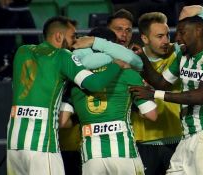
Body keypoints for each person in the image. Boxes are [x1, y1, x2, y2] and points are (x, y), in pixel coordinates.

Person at [6, 16, 126, 175]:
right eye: (72, 37)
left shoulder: (22, 52)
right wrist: (116, 65)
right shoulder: (63, 56)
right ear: (58, 36)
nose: (75, 42)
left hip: (14, 143)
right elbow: (95, 84)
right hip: (41, 144)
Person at [130, 14, 203, 175]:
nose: (177, 38)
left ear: (198, 31)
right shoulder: (183, 56)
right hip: (186, 137)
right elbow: (161, 82)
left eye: (182, 32)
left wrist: (154, 94)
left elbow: (199, 96)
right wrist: (142, 57)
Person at [61, 27, 157, 175]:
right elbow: (152, 115)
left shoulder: (77, 78)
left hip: (92, 156)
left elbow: (63, 122)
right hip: (124, 152)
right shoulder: (128, 73)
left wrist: (86, 118)